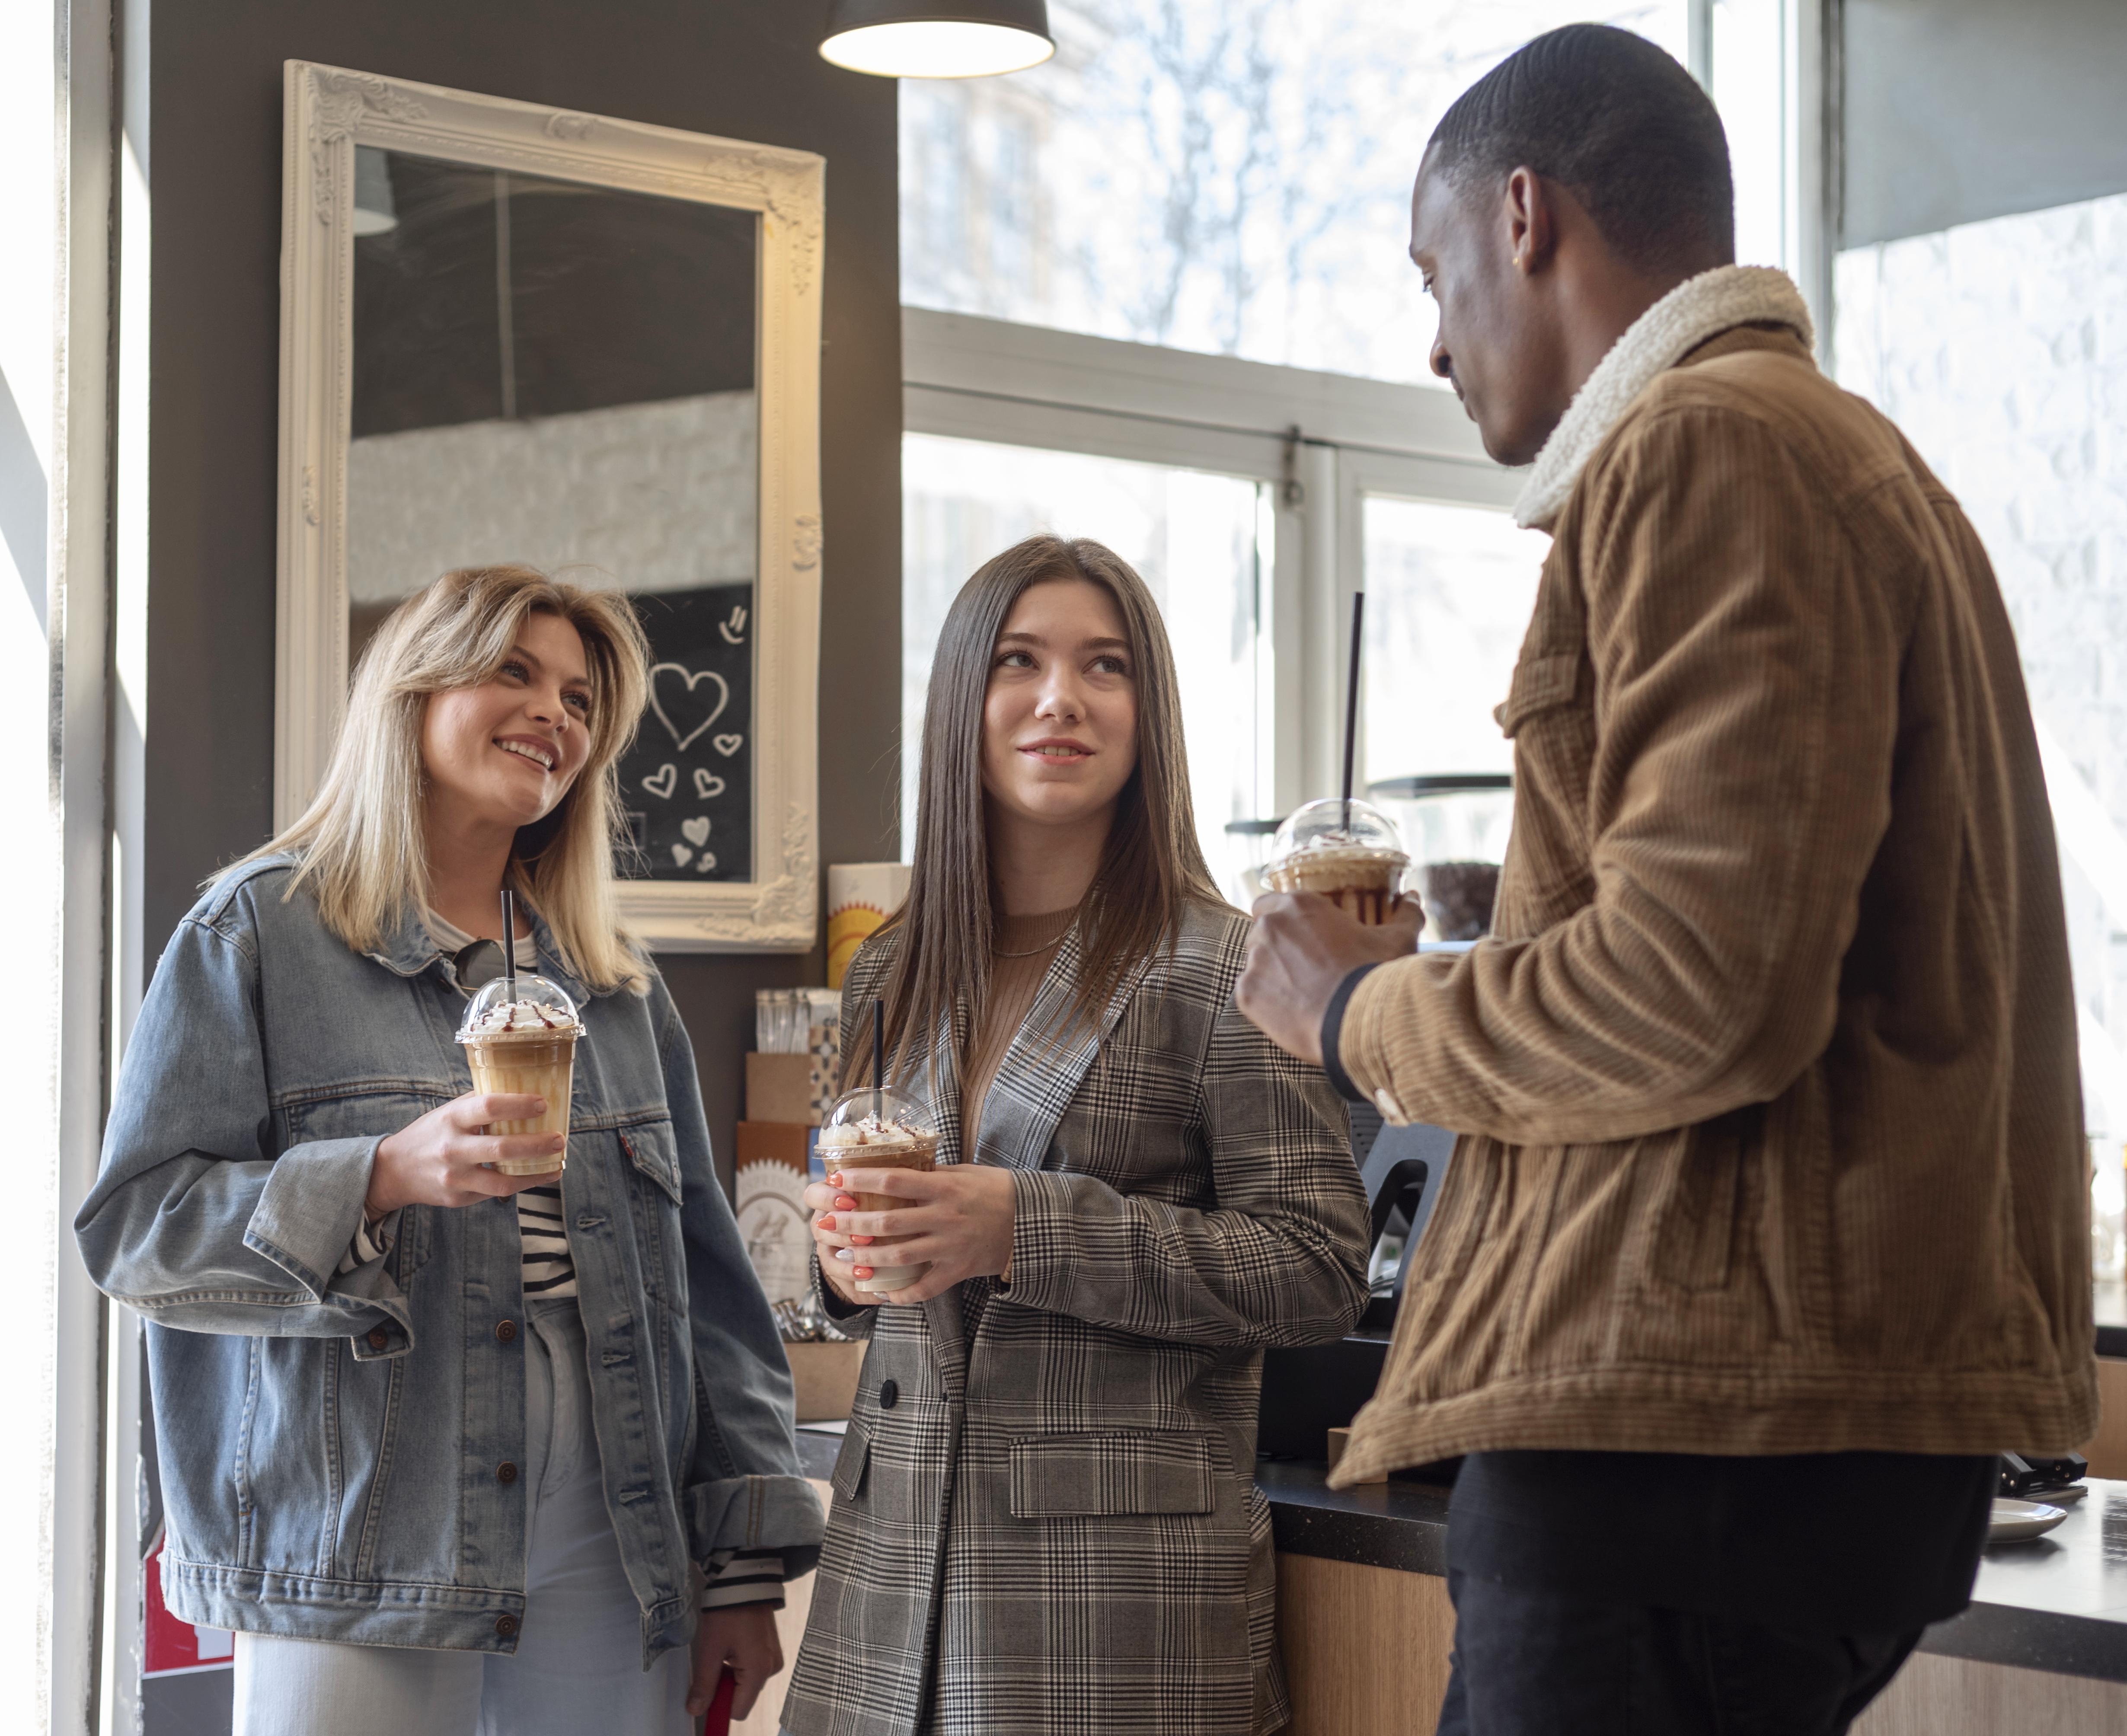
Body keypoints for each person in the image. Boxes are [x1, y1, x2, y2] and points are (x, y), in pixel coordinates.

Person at [1236, 25, 2097, 1736]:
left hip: (1680, 1450)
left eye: (1434, 272)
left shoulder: (1713, 446)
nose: (1433, 338)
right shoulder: (1825, 455)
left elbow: (1697, 982)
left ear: (1526, 218)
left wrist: (1358, 1008)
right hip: (1735, 1444)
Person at [76, 566, 822, 1735]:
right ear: (414, 694)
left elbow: (709, 1293)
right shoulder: (255, 934)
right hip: (357, 1532)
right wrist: (377, 1177)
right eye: (514, 672)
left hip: (614, 1524)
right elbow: (136, 1234)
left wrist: (740, 1569)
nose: (553, 714)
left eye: (580, 699)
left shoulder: (616, 985)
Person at [779, 535, 1370, 1736]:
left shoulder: (1229, 964)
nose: (1062, 698)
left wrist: (1024, 1228)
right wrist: (842, 1266)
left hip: (1116, 1608)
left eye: (1106, 666)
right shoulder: (890, 965)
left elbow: (1318, 1270)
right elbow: (861, 1242)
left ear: (1150, 714)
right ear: (963, 698)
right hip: (887, 1588)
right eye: (1020, 661)